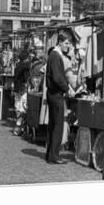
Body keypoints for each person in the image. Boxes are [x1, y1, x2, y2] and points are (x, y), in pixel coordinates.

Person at [45, 31, 75, 164]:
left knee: (53, 124)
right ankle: (55, 155)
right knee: (57, 125)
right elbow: (57, 77)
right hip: (56, 94)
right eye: (66, 43)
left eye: (69, 43)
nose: (68, 46)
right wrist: (67, 88)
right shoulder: (56, 56)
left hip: (52, 93)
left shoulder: (53, 55)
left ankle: (50, 154)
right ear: (60, 42)